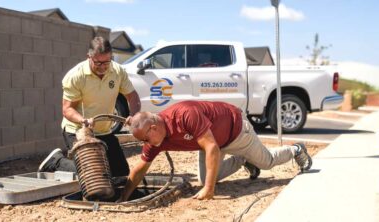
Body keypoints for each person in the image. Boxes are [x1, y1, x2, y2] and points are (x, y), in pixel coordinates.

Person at [120, 101, 311, 201]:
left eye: (145, 139)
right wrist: (123, 198)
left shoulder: (184, 114)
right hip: (211, 141)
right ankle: (243, 160)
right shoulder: (154, 140)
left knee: (267, 161)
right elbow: (140, 169)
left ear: (153, 127)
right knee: (206, 179)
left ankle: (296, 149)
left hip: (235, 132)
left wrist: (209, 191)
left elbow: (211, 147)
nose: (146, 144)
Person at [38, 36, 141, 186]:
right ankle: (57, 161)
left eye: (107, 62)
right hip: (78, 130)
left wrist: (134, 115)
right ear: (89, 57)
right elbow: (67, 109)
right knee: (95, 176)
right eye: (98, 62)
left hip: (104, 131)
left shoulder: (118, 71)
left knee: (121, 175)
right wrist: (83, 121)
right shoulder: (76, 76)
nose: (103, 67)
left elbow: (133, 96)